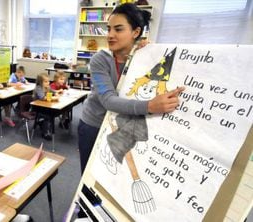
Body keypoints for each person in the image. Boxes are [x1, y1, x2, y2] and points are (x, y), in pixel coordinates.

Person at [78, 3, 185, 173]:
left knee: (114, 174)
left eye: (118, 29)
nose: (110, 35)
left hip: (123, 125)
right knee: (90, 172)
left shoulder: (143, 57)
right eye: (109, 29)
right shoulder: (100, 59)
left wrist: (149, 54)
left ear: (136, 32)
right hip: (94, 124)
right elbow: (108, 100)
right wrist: (149, 106)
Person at [33, 73, 58, 140]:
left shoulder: (48, 87)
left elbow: (53, 91)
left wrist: (56, 92)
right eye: (46, 81)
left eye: (48, 81)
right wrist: (53, 98)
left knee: (51, 113)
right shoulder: (38, 88)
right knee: (48, 115)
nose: (48, 83)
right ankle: (45, 133)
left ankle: (43, 124)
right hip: (36, 109)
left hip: (44, 107)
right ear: (40, 82)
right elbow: (42, 97)